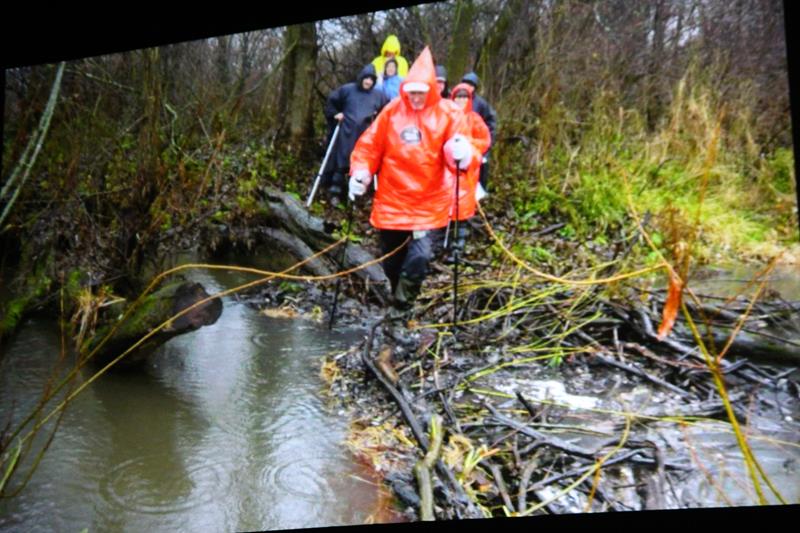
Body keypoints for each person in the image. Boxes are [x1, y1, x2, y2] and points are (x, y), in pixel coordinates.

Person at [348, 47, 480, 340]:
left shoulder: (449, 113)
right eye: (413, 92)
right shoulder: (392, 111)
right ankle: (398, 296)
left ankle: (399, 314)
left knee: (419, 257)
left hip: (429, 202)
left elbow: (462, 152)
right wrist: (361, 172)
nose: (416, 98)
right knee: (391, 260)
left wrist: (462, 153)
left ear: (432, 90)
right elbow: (369, 146)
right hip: (392, 200)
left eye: (422, 93)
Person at [322, 64, 388, 204]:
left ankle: (360, 197)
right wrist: (335, 114)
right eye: (366, 78)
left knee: (363, 165)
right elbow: (331, 102)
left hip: (366, 137)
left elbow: (387, 112)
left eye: (371, 79)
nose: (368, 82)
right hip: (346, 133)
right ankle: (335, 192)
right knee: (342, 160)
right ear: (361, 78)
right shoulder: (347, 90)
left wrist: (378, 122)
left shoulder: (379, 96)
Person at [442, 82, 492, 255]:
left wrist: (467, 147)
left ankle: (459, 240)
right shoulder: (446, 116)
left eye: (464, 97)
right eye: (458, 97)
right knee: (445, 201)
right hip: (447, 168)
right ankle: (442, 238)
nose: (461, 100)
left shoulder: (474, 119)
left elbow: (484, 141)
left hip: (467, 170)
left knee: (463, 203)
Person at [460, 72, 497, 196]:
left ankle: (480, 194)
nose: (468, 87)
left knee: (481, 170)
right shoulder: (456, 98)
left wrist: (488, 144)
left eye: (471, 85)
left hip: (476, 144)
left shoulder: (481, 104)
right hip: (460, 145)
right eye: (466, 83)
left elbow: (490, 123)